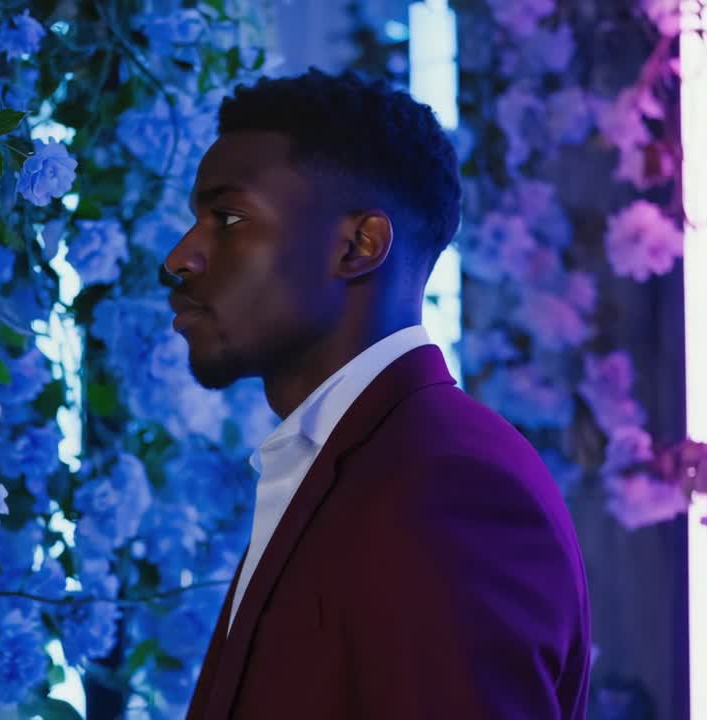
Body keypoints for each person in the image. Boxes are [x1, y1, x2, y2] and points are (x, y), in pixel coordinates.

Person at [161, 70, 591, 719]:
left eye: (228, 219)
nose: (181, 256)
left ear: (359, 246)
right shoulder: (354, 463)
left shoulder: (446, 488)